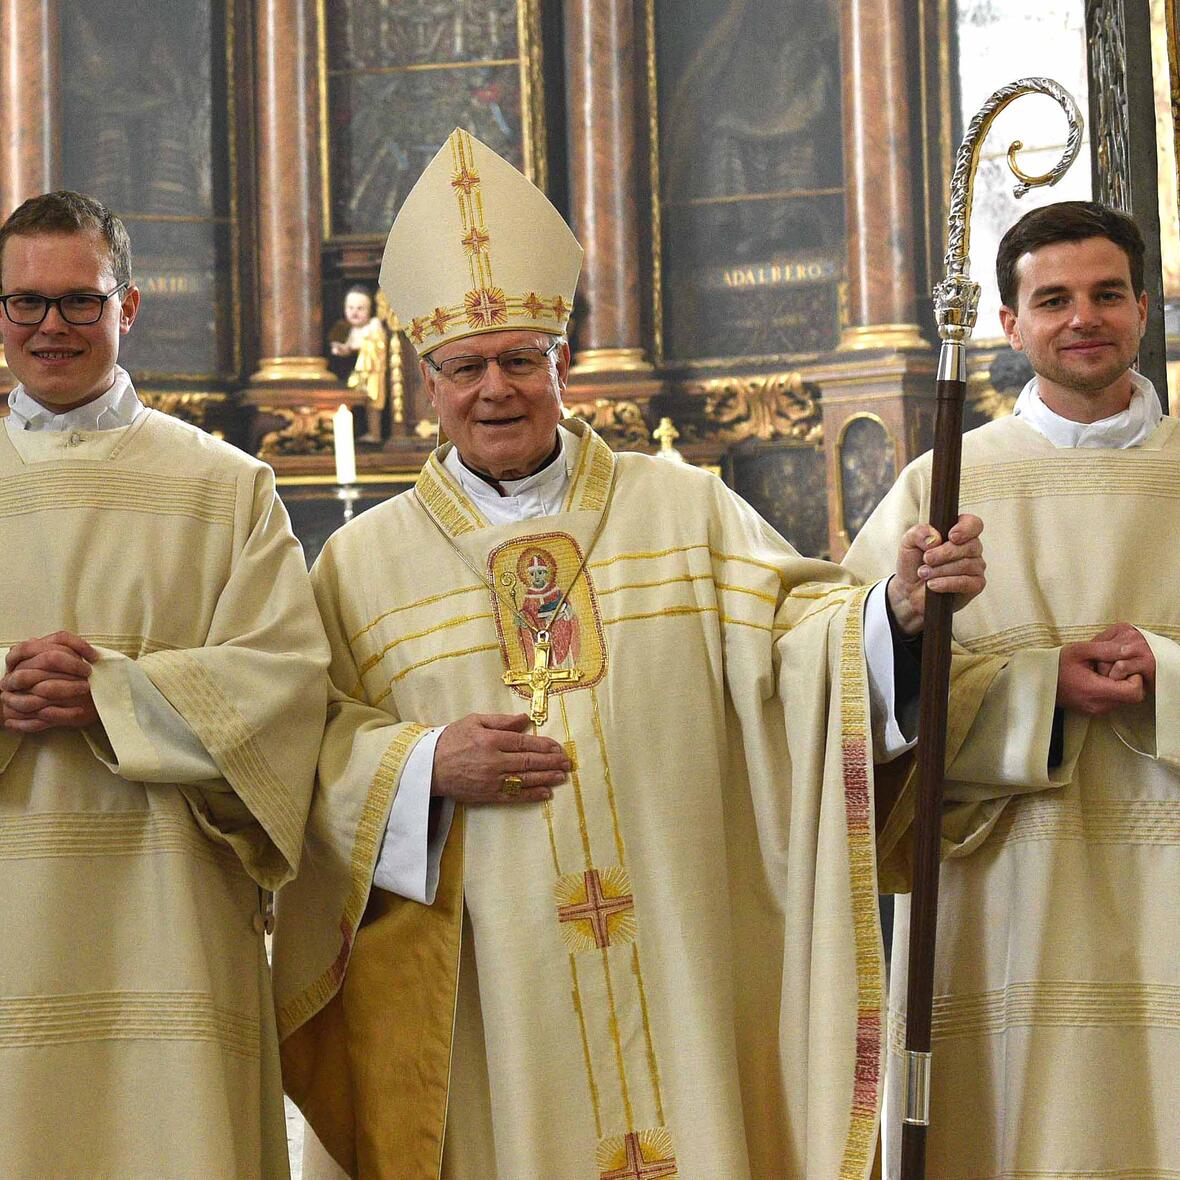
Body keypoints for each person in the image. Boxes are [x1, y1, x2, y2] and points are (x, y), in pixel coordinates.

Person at [273, 130, 985, 1180]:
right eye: (466, 367)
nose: (496, 389)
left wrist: (898, 615)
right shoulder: (361, 566)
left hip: (681, 952)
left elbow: (796, 655)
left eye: (522, 360)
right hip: (491, 995)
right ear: (427, 384)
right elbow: (311, 749)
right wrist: (421, 767)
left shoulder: (681, 507)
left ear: (562, 365)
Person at [845, 200, 1180, 1178]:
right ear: (1008, 324)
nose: (1084, 317)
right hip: (1004, 892)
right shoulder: (941, 482)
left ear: (1144, 308)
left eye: (1107, 293)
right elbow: (839, 684)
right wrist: (1028, 685)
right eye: (1053, 299)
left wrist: (1165, 669)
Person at [0, 190, 328, 1177]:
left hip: (169, 913)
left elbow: (285, 682)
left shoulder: (224, 485)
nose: (52, 327)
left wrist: (117, 694)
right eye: (25, 303)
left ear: (128, 307)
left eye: (80, 302)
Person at [329, 285, 388, 442]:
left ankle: (375, 434)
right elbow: (349, 349)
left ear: (370, 310)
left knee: (373, 403)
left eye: (360, 308)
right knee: (352, 400)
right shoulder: (352, 330)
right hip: (359, 373)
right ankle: (352, 432)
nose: (354, 312)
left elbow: (373, 343)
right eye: (350, 308)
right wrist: (341, 350)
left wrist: (349, 347)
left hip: (373, 371)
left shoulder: (374, 324)